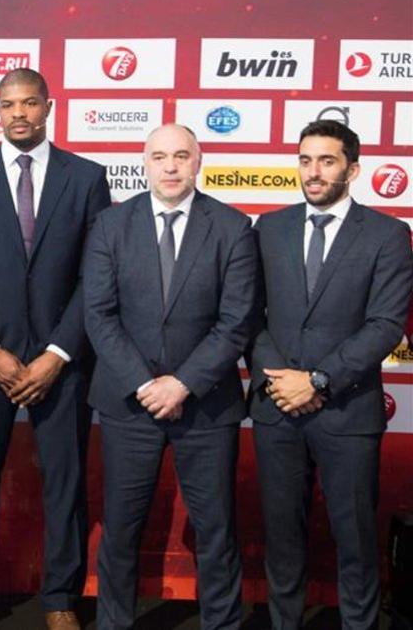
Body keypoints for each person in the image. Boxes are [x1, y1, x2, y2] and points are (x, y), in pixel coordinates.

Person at [0, 68, 110, 630]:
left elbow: (97, 277)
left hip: (61, 364)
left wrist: (59, 352)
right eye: (9, 104)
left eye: (29, 103)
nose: (19, 113)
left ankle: (61, 599)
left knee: (65, 484)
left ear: (48, 107)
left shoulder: (87, 178)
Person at [83, 124, 256, 629]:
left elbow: (237, 320)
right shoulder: (110, 226)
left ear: (199, 161)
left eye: (182, 155)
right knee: (120, 528)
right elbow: (99, 315)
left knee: (216, 528)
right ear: (145, 162)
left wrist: (182, 383)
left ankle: (221, 623)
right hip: (128, 404)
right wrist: (145, 383)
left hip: (206, 404)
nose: (171, 166)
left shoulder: (232, 226)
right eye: (160, 156)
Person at [250, 120, 413, 629]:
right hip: (277, 408)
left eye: (326, 160)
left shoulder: (388, 234)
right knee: (282, 536)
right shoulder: (268, 227)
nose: (313, 172)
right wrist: (284, 382)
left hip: (347, 409)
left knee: (355, 537)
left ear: (353, 169)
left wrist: (317, 381)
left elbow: (386, 324)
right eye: (305, 160)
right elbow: (249, 315)